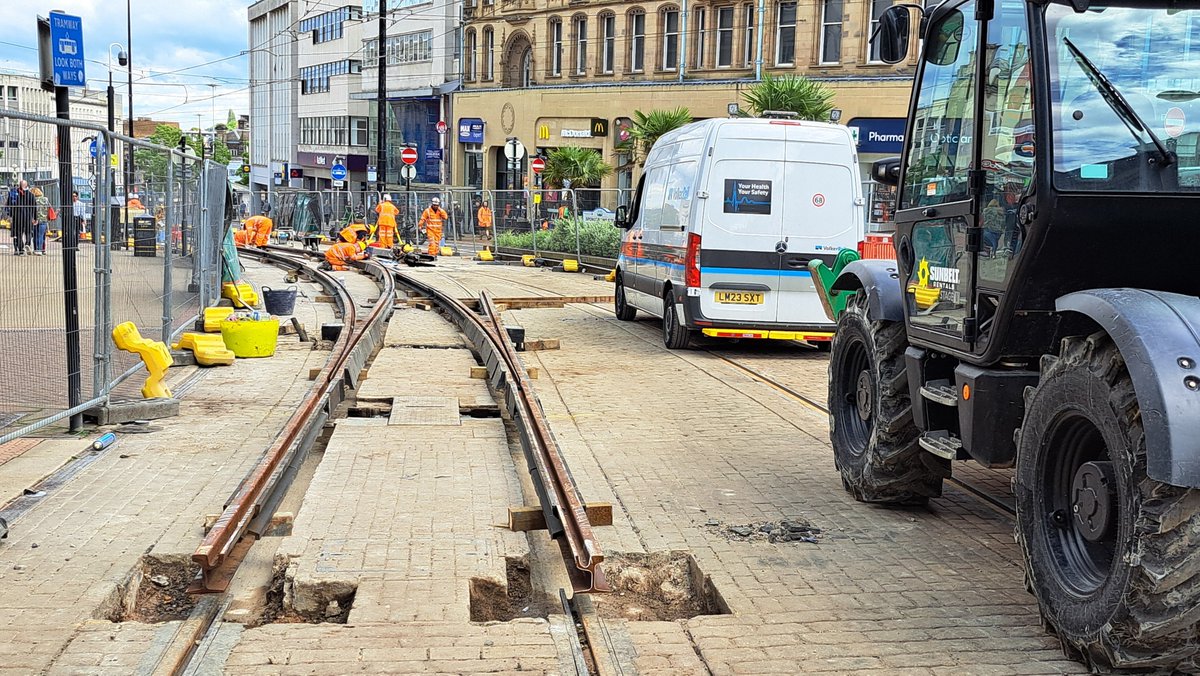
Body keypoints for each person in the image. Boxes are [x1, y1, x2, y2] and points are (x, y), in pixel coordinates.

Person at [9, 180, 35, 255]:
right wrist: (34, 217)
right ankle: (27, 243)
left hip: (17, 217)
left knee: (18, 233)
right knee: (28, 232)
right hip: (28, 217)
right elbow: (34, 207)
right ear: (27, 185)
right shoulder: (31, 195)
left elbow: (11, 206)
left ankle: (21, 249)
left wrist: (10, 216)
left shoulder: (14, 194)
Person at [31, 187, 49, 255]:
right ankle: (41, 250)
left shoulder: (33, 200)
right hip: (44, 219)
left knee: (35, 235)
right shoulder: (45, 199)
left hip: (35, 219)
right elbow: (47, 208)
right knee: (41, 235)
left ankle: (36, 249)